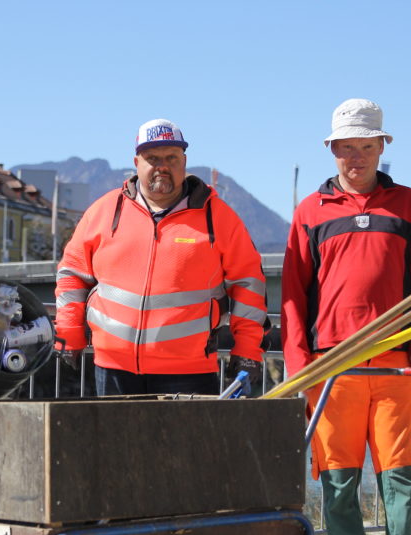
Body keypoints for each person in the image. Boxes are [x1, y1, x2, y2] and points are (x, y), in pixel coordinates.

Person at [281, 98, 411, 535]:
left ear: (381, 147)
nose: (355, 156)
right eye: (346, 147)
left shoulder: (409, 205)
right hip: (333, 370)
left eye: (365, 146)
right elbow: (292, 294)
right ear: (332, 151)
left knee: (402, 480)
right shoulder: (310, 212)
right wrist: (300, 367)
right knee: (338, 481)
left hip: (394, 366)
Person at [54, 118, 268, 396]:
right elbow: (72, 274)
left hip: (188, 372)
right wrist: (68, 335)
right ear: (136, 162)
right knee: (116, 442)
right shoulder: (105, 211)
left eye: (171, 157)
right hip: (113, 368)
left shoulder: (219, 217)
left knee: (182, 442)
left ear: (185, 160)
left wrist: (248, 350)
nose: (162, 166)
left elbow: (249, 284)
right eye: (152, 158)